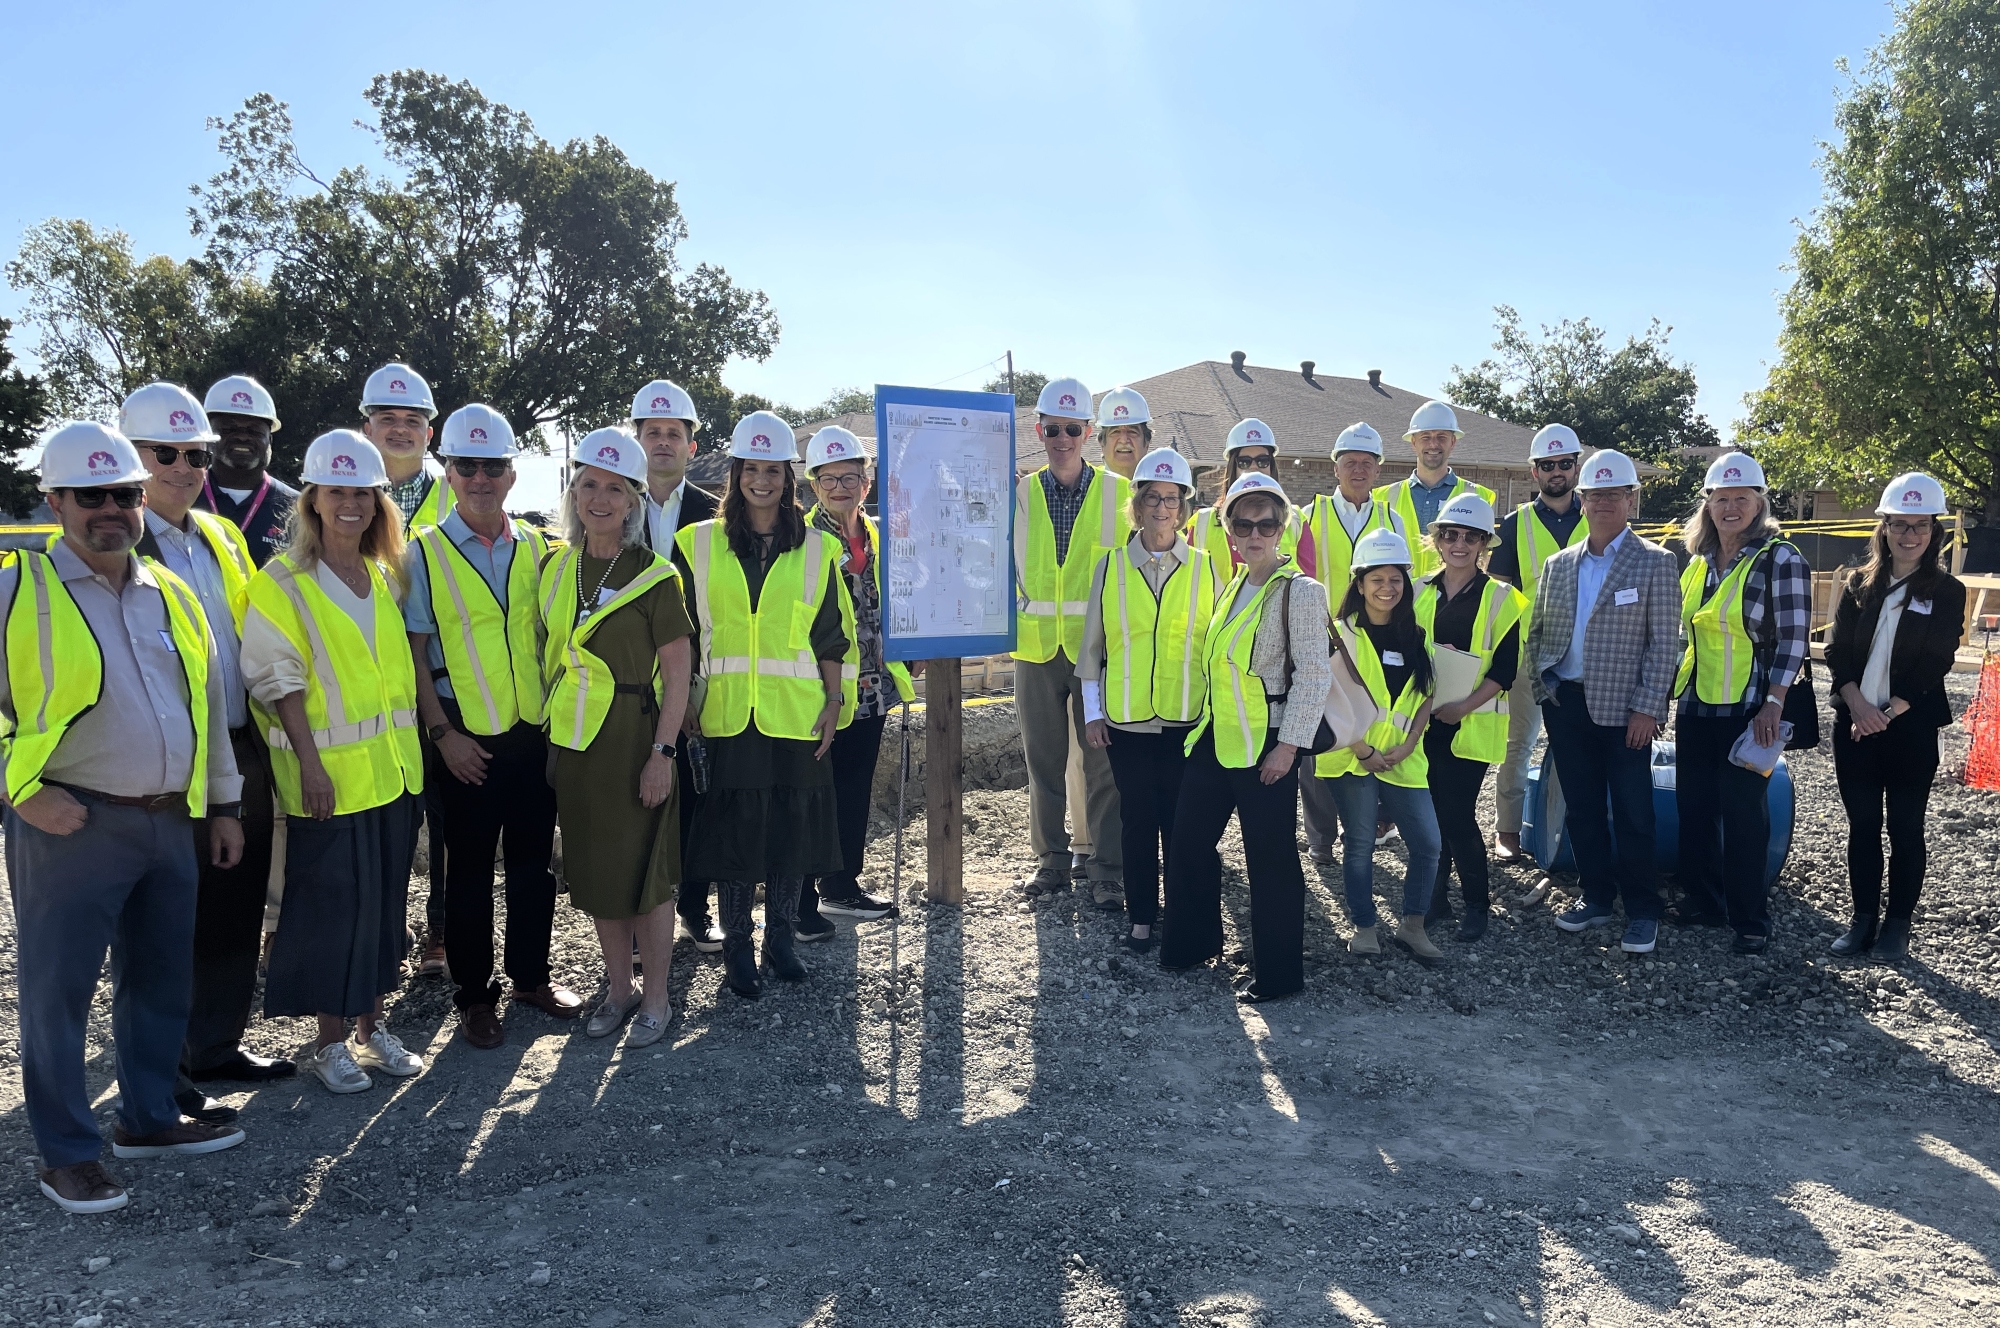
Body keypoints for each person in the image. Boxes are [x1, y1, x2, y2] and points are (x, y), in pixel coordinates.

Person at [3, 421, 247, 1214]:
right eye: (91, 495)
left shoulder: (169, 592)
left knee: (158, 983)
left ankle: (148, 1117)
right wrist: (22, 791)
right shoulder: (18, 589)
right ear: (55, 500)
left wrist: (223, 804)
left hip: (168, 820)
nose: (111, 509)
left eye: (124, 494)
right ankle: (68, 1152)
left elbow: (205, 705)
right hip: (70, 824)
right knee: (59, 992)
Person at [123, 384, 291, 1119]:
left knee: (235, 897)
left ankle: (216, 1044)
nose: (187, 467)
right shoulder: (116, 541)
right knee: (166, 919)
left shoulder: (218, 536)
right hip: (162, 758)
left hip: (236, 743)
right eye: (168, 453)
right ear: (132, 458)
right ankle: (164, 1073)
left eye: (197, 453)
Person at [242, 431, 427, 1092]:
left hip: (392, 773)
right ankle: (327, 1043)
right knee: (331, 914)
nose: (350, 504)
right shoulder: (284, 581)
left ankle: (371, 1030)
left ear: (379, 502)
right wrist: (312, 768)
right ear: (313, 499)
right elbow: (278, 680)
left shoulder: (380, 575)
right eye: (337, 491)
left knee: (380, 910)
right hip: (328, 782)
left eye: (363, 493)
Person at [405, 404, 582, 1049]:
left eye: (493, 467)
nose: (480, 477)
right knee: (470, 871)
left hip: (532, 734)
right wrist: (443, 735)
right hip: (466, 738)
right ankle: (476, 996)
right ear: (447, 473)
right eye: (466, 466)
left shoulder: (540, 549)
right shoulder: (421, 553)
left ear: (512, 475)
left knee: (535, 865)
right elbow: (416, 656)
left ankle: (531, 976)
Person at [677, 413, 857, 999]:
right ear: (736, 474)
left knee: (789, 829)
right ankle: (737, 947)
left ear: (788, 477)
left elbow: (830, 635)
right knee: (736, 836)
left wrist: (833, 703)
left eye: (772, 470)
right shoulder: (698, 544)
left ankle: (779, 937)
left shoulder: (816, 549)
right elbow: (679, 637)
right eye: (751, 469)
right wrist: (681, 706)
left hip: (795, 712)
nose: (762, 480)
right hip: (727, 716)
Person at [539, 428, 692, 1048]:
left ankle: (656, 997)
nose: (599, 498)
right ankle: (619, 988)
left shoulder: (654, 576)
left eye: (614, 489)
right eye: (588, 485)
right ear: (574, 492)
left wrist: (662, 753)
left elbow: (679, 677)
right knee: (599, 872)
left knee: (647, 876)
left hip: (636, 738)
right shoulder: (555, 569)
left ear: (633, 501)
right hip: (577, 745)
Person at [1160, 473, 1330, 1003]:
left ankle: (1279, 978)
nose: (1255, 533)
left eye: (1266, 523)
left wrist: (1289, 747)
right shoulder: (1234, 585)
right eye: (1243, 523)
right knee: (1188, 842)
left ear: (1282, 528)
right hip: (1216, 741)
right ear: (1228, 528)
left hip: (1266, 745)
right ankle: (1193, 945)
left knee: (1271, 860)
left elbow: (1313, 674)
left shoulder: (1301, 592)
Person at [1523, 450, 1680, 955]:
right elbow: (1540, 630)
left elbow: (1665, 643)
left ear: (1631, 499)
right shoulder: (1559, 565)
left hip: (1625, 712)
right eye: (1596, 495)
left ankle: (1642, 910)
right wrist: (1541, 686)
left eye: (1616, 494)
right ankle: (1596, 896)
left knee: (1635, 813)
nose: (1605, 503)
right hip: (1566, 704)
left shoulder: (1655, 563)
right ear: (1582, 500)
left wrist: (1648, 707)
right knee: (1583, 808)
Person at [1671, 452, 1811, 954]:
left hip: (1751, 709)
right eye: (1721, 499)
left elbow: (1794, 640)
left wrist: (1774, 703)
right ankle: (1703, 901)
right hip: (1696, 705)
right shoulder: (1698, 564)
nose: (1731, 508)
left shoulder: (1780, 559)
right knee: (1694, 807)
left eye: (1741, 499)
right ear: (1708, 504)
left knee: (1745, 814)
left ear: (1759, 503)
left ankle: (1750, 918)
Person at [1826, 473, 1967, 962]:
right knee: (1862, 825)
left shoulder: (1947, 591)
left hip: (1910, 728)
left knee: (1905, 828)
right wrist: (1859, 709)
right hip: (1856, 728)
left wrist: (1886, 712)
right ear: (1884, 528)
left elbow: (1938, 659)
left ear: (1934, 532)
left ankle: (1897, 927)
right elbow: (1837, 650)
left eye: (1921, 526)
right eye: (1901, 525)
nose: (1911, 535)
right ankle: (1863, 919)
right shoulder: (1857, 584)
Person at [1079, 447, 1213, 953]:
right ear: (1136, 504)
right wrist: (1094, 713)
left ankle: (1179, 910)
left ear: (1184, 506)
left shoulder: (1204, 568)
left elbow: (1212, 646)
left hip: (1185, 719)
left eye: (1171, 498)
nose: (1161, 507)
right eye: (1152, 497)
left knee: (1180, 819)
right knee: (1137, 817)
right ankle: (1140, 914)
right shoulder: (1110, 567)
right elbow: (1093, 646)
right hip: (1126, 721)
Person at [1013, 377, 1130, 906]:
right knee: (1043, 762)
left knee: (1101, 762)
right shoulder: (1021, 492)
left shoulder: (1118, 494)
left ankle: (1106, 867)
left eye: (1073, 429)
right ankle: (1053, 862)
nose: (1062, 437)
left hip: (1096, 653)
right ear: (1040, 430)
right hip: (1036, 648)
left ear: (1088, 433)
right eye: (1053, 428)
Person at [797, 425, 914, 937]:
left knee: (854, 788)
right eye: (829, 479)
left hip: (873, 687)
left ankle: (841, 886)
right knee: (812, 792)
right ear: (813, 484)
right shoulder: (801, 540)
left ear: (867, 482)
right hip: (822, 689)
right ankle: (800, 901)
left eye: (850, 477)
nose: (840, 487)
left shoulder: (880, 534)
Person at [1313, 529, 1443, 963]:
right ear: (1360, 583)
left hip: (1403, 757)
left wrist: (1408, 745)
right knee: (1360, 843)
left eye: (1396, 580)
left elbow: (1425, 697)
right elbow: (1327, 702)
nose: (1387, 588)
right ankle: (1365, 926)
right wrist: (1365, 750)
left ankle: (1413, 925)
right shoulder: (1339, 635)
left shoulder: (1416, 634)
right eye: (1377, 580)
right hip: (1352, 758)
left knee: (1428, 844)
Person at [360, 361, 451, 971]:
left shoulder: (456, 491)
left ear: (430, 431)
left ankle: (440, 934)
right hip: (369, 685)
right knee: (382, 821)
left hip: (442, 680)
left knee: (446, 819)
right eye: (387, 419)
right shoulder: (345, 490)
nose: (400, 430)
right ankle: (383, 936)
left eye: (412, 420)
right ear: (366, 427)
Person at [629, 380, 725, 954]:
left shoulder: (713, 516)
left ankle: (693, 905)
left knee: (697, 797)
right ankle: (641, 919)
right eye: (652, 432)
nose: (663, 442)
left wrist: (690, 687)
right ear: (637, 439)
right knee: (635, 802)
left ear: (692, 446)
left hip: (694, 685)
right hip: (629, 684)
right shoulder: (611, 506)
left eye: (674, 433)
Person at [1413, 494, 1525, 943]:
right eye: (1451, 535)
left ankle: (1478, 905)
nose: (1459, 544)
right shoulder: (1418, 588)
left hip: (1469, 723)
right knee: (1431, 816)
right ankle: (1436, 900)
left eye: (1470, 537)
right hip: (1422, 723)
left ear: (1484, 544)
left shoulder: (1502, 598)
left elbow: (1505, 670)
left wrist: (1463, 706)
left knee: (1457, 816)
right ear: (1437, 540)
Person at [1300, 422, 1407, 867]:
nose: (1358, 470)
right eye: (1350, 462)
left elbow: (1408, 580)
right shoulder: (1310, 514)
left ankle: (1365, 825)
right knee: (1319, 732)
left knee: (1373, 723)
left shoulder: (1393, 519)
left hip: (1377, 638)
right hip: (1323, 638)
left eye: (1367, 462)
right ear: (1336, 467)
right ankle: (1321, 835)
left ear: (1378, 469)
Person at [1486, 424, 1587, 862]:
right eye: (1548, 466)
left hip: (1586, 657)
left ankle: (1567, 830)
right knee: (1518, 744)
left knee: (1576, 747)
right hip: (1530, 657)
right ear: (1535, 473)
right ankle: (1507, 829)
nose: (1557, 472)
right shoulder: (1514, 527)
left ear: (1576, 466)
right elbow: (1497, 596)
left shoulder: (1598, 516)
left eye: (1564, 463)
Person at [1373, 401, 1495, 580]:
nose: (1433, 444)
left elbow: (1484, 559)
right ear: (1413, 442)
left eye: (1441, 437)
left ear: (1452, 442)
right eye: (1425, 437)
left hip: (1454, 600)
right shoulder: (1382, 498)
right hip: (1397, 599)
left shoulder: (1479, 497)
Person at [1186, 418, 1304, 591]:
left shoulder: (1297, 521)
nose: (1254, 467)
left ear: (1272, 466)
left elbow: (1306, 585)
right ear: (1233, 466)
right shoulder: (1202, 524)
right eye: (1244, 462)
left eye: (1262, 461)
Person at [197, 375, 296, 567]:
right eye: (228, 429)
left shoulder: (299, 508)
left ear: (270, 441)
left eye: (254, 431)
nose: (242, 437)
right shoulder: (183, 497)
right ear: (208, 437)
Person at [1095, 386, 1149, 482]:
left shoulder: (1163, 491)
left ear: (1147, 443)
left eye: (1132, 432)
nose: (1124, 440)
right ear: (1102, 443)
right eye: (1115, 432)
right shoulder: (1084, 487)